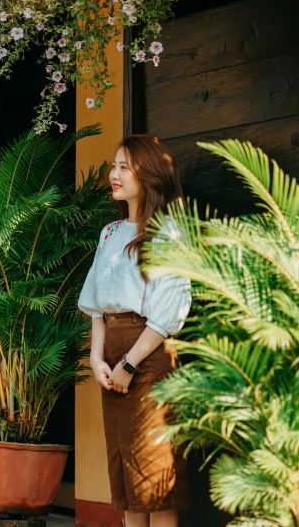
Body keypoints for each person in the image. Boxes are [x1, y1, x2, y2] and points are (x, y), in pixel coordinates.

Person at [78, 134, 191, 527]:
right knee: (126, 474)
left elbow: (168, 308)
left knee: (155, 476)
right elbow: (95, 304)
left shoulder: (168, 230)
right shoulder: (109, 233)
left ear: (150, 173)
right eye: (114, 165)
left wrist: (129, 362)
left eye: (125, 166)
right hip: (112, 354)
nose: (114, 174)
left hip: (150, 354)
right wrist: (96, 358)